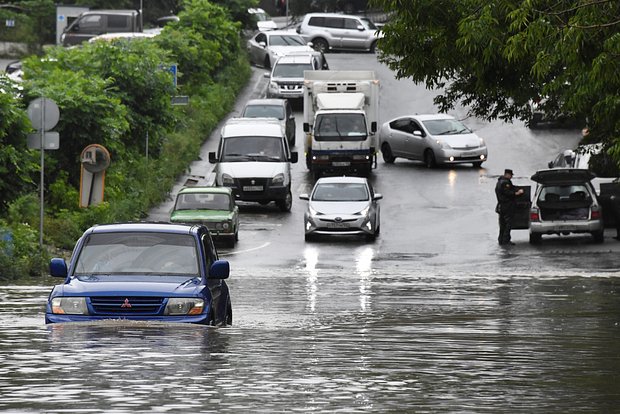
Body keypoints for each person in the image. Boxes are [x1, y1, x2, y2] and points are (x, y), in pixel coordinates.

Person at [495, 169, 524, 246]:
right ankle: (505, 240)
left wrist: (516, 188)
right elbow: (508, 193)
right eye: (511, 175)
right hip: (507, 206)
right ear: (507, 174)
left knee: (502, 224)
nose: (511, 177)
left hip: (501, 206)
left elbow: (511, 188)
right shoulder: (505, 182)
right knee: (508, 223)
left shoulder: (500, 181)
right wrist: (517, 193)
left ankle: (501, 239)